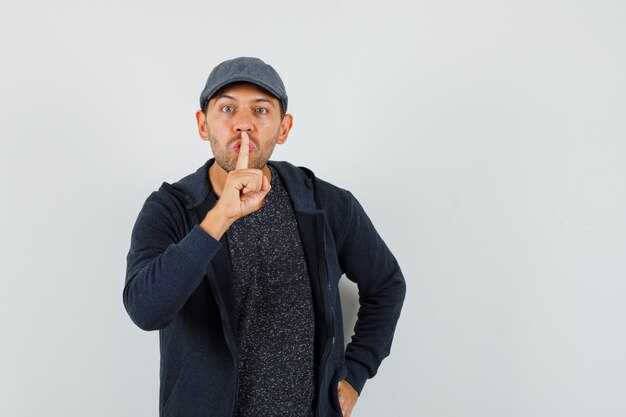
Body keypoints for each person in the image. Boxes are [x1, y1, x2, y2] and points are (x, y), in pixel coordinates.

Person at [123, 57, 406, 417]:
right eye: (227, 109)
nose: (244, 125)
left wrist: (355, 375)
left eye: (261, 110)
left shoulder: (324, 203)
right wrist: (219, 217)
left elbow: (387, 284)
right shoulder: (171, 208)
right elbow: (145, 310)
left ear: (284, 129)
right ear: (203, 124)